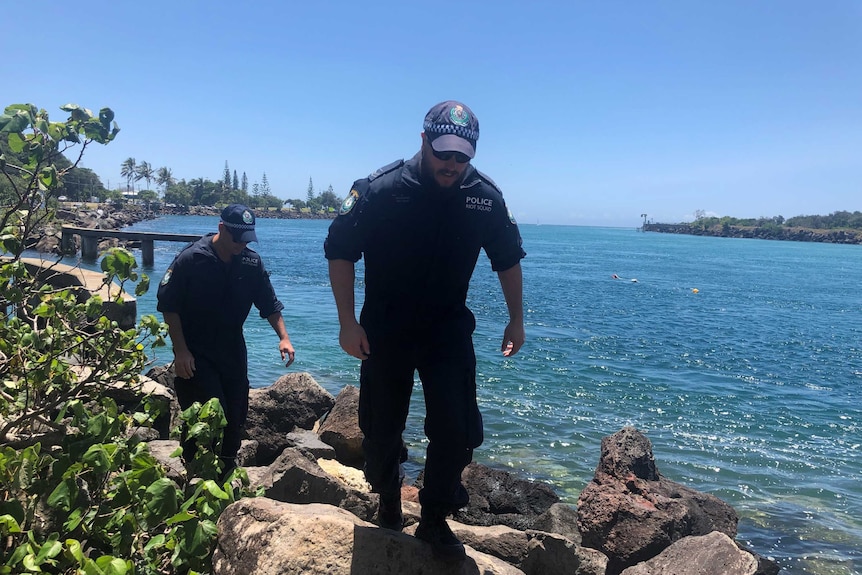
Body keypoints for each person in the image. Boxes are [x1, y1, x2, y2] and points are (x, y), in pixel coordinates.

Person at [324, 101, 526, 560]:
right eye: (443, 153)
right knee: (381, 429)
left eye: (462, 157)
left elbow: (508, 258)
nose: (452, 165)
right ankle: (389, 501)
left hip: (447, 330)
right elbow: (340, 251)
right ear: (423, 141)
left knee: (457, 430)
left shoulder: (483, 196)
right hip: (384, 328)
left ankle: (434, 517)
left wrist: (516, 318)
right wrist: (346, 322)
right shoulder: (378, 189)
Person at [157, 204, 295, 477]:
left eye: (247, 240)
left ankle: (225, 474)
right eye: (237, 239)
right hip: (196, 349)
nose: (241, 245)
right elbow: (168, 306)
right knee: (208, 411)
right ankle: (193, 472)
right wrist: (180, 351)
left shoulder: (251, 262)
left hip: (232, 347)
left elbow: (269, 303)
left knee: (236, 413)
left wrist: (284, 338)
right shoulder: (192, 259)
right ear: (222, 229)